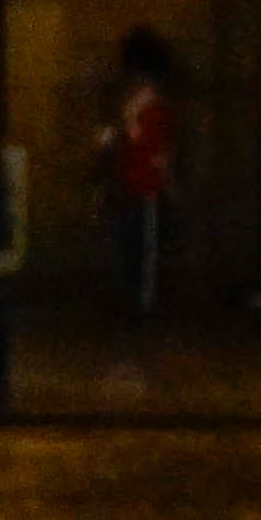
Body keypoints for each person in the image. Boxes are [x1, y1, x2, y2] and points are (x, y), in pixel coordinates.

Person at [103, 28, 180, 317]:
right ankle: (135, 298)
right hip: (131, 183)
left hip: (145, 186)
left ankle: (143, 302)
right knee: (133, 245)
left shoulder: (153, 110)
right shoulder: (142, 106)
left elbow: (157, 152)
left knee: (145, 248)